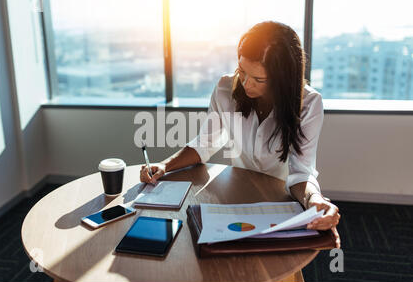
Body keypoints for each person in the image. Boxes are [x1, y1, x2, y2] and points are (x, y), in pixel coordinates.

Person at [139, 21, 340, 248]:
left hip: (282, 200)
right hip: (238, 194)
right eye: (242, 72)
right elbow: (204, 144)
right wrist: (165, 165)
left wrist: (314, 199)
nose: (245, 84)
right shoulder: (225, 88)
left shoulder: (309, 103)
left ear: (282, 78)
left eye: (258, 79)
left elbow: (300, 173)